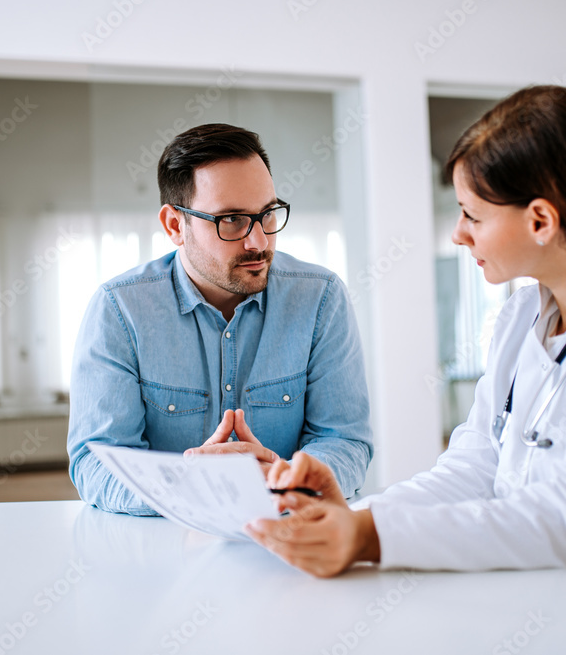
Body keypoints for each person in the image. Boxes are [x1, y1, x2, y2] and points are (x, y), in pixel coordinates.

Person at [246, 86, 566, 654]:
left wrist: (367, 536)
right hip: (555, 605)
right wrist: (353, 515)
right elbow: (476, 467)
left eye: (471, 214)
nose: (458, 233)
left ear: (540, 220)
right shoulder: (522, 312)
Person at [67, 123, 373, 516]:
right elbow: (97, 463)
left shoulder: (321, 298)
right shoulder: (118, 310)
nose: (259, 241)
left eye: (267, 214)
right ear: (175, 225)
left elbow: (346, 441)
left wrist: (285, 479)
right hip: (162, 554)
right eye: (231, 220)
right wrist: (190, 486)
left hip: (289, 547)